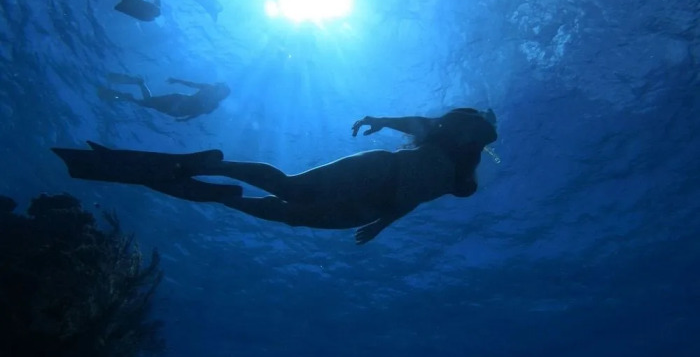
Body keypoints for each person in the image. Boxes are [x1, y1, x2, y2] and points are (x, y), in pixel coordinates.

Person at [52, 108, 498, 244]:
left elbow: (417, 197)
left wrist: (383, 224)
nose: (480, 132)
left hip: (377, 203)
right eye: (479, 125)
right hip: (382, 174)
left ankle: (221, 191)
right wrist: (382, 120)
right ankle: (214, 168)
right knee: (292, 191)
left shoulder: (465, 170)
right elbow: (422, 125)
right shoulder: (453, 134)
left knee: (292, 213)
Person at [97, 73, 231, 121]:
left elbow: (198, 113)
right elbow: (191, 84)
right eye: (223, 92)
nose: (222, 94)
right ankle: (138, 86)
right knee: (147, 102)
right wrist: (176, 80)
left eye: (224, 94)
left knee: (147, 103)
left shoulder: (214, 104)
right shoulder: (209, 90)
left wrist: (185, 119)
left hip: (178, 109)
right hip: (178, 103)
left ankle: (132, 93)